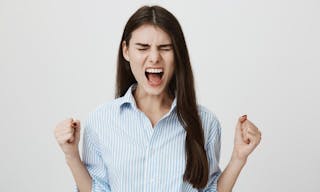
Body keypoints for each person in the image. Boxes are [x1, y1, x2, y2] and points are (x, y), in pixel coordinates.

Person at [54, 5, 261, 192]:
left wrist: (238, 158)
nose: (154, 57)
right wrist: (71, 155)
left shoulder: (206, 123)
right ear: (126, 51)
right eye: (143, 48)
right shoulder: (100, 121)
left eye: (165, 48)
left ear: (177, 54)